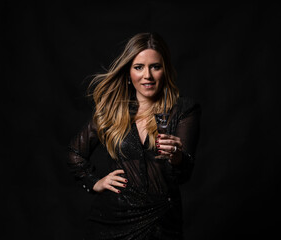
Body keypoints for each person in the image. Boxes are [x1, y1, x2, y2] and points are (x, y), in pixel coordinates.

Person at [66, 32, 201, 239]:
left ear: (164, 70)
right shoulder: (112, 111)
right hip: (112, 221)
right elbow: (75, 153)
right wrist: (94, 182)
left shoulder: (182, 110)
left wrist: (177, 156)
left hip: (162, 221)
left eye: (155, 66)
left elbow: (184, 174)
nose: (147, 75)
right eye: (139, 67)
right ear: (129, 72)